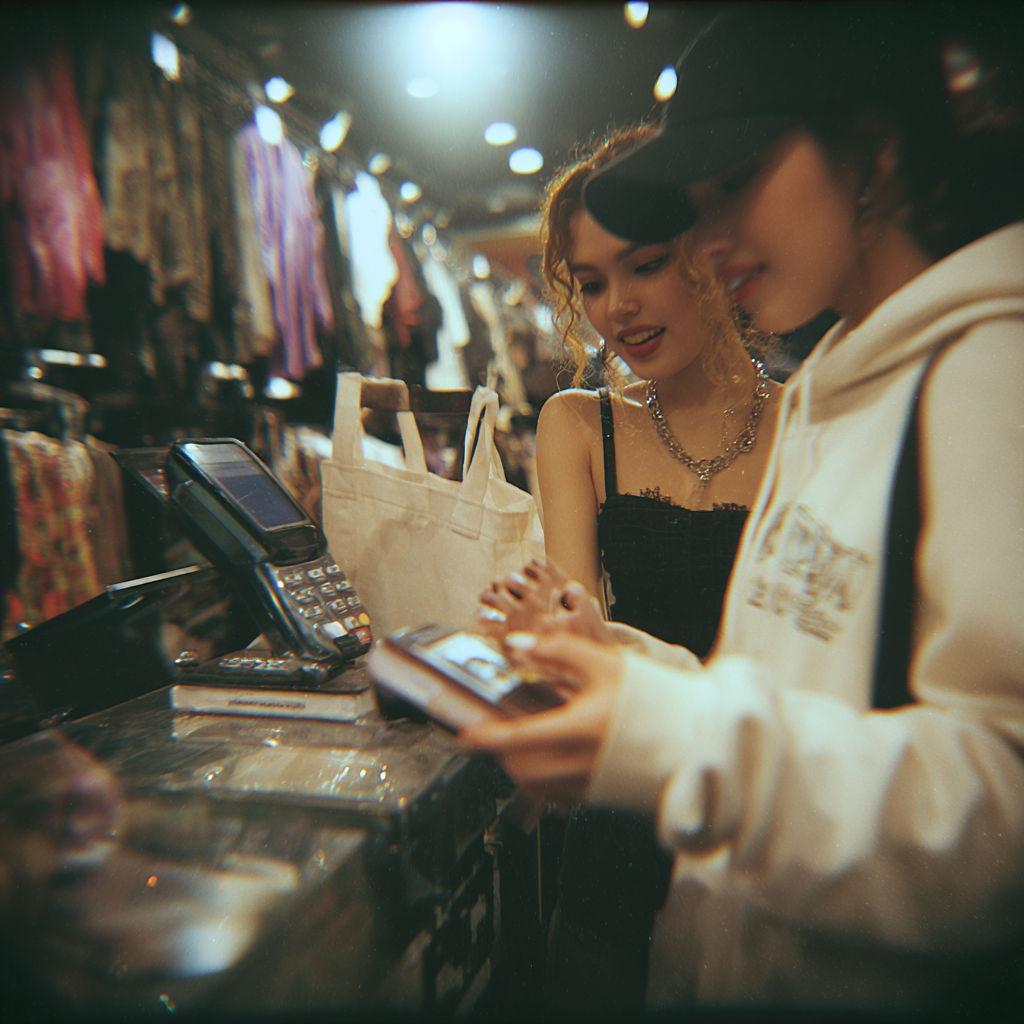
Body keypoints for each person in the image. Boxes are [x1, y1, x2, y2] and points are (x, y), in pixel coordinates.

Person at [464, 5, 1024, 1013]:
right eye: (698, 200)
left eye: (737, 181)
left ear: (875, 151)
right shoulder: (841, 390)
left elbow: (1001, 809)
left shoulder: (991, 376)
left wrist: (669, 736)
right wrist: (630, 675)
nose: (710, 236)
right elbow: (790, 692)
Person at [479, 126, 782, 1010]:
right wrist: (553, 634)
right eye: (594, 282)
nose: (618, 308)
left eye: (645, 265)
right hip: (620, 818)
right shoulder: (578, 424)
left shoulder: (808, 422)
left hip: (758, 804)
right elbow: (581, 633)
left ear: (709, 248)